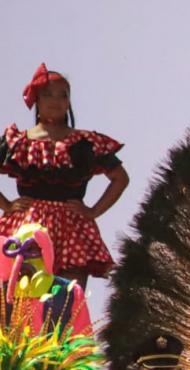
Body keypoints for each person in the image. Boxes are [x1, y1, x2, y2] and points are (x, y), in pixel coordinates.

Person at [0, 64, 129, 286]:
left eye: (63, 95)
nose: (55, 100)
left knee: (68, 298)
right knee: (23, 295)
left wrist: (94, 211)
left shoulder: (85, 143)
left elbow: (120, 178)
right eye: (47, 94)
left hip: (72, 226)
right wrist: (7, 205)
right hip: (28, 223)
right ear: (36, 101)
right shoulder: (18, 142)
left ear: (69, 102)